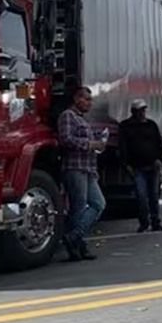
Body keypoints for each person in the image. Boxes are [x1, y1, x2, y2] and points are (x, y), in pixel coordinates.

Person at [58, 86, 106, 261]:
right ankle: (77, 244)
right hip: (75, 167)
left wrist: (98, 143)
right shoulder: (68, 116)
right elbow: (65, 139)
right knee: (78, 208)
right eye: (86, 99)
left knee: (98, 204)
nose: (89, 103)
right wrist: (90, 144)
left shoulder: (82, 119)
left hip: (88, 168)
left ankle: (75, 237)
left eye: (90, 100)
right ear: (76, 99)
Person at [119, 98, 162, 233]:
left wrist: (159, 160)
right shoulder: (126, 127)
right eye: (140, 111)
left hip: (153, 166)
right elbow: (123, 147)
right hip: (137, 168)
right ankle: (144, 222)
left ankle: (156, 222)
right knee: (141, 196)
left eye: (144, 110)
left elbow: (159, 144)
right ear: (134, 112)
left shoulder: (151, 125)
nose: (143, 113)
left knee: (154, 195)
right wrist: (126, 165)